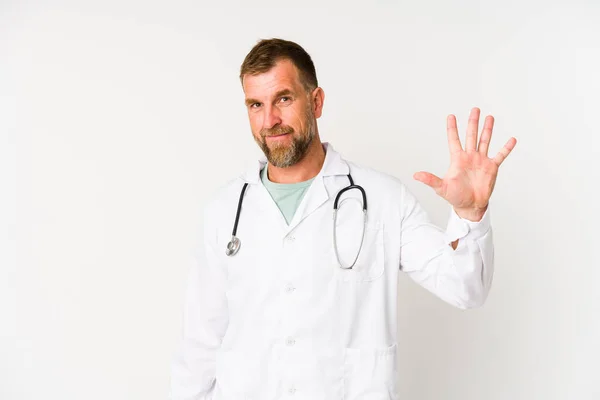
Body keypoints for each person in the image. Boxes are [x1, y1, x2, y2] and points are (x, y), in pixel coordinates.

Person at [168, 38, 517, 400]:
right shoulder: (225, 211)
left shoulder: (382, 199)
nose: (270, 120)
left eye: (283, 99)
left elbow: (467, 289)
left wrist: (470, 214)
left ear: (316, 101)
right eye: (256, 104)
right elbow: (199, 348)